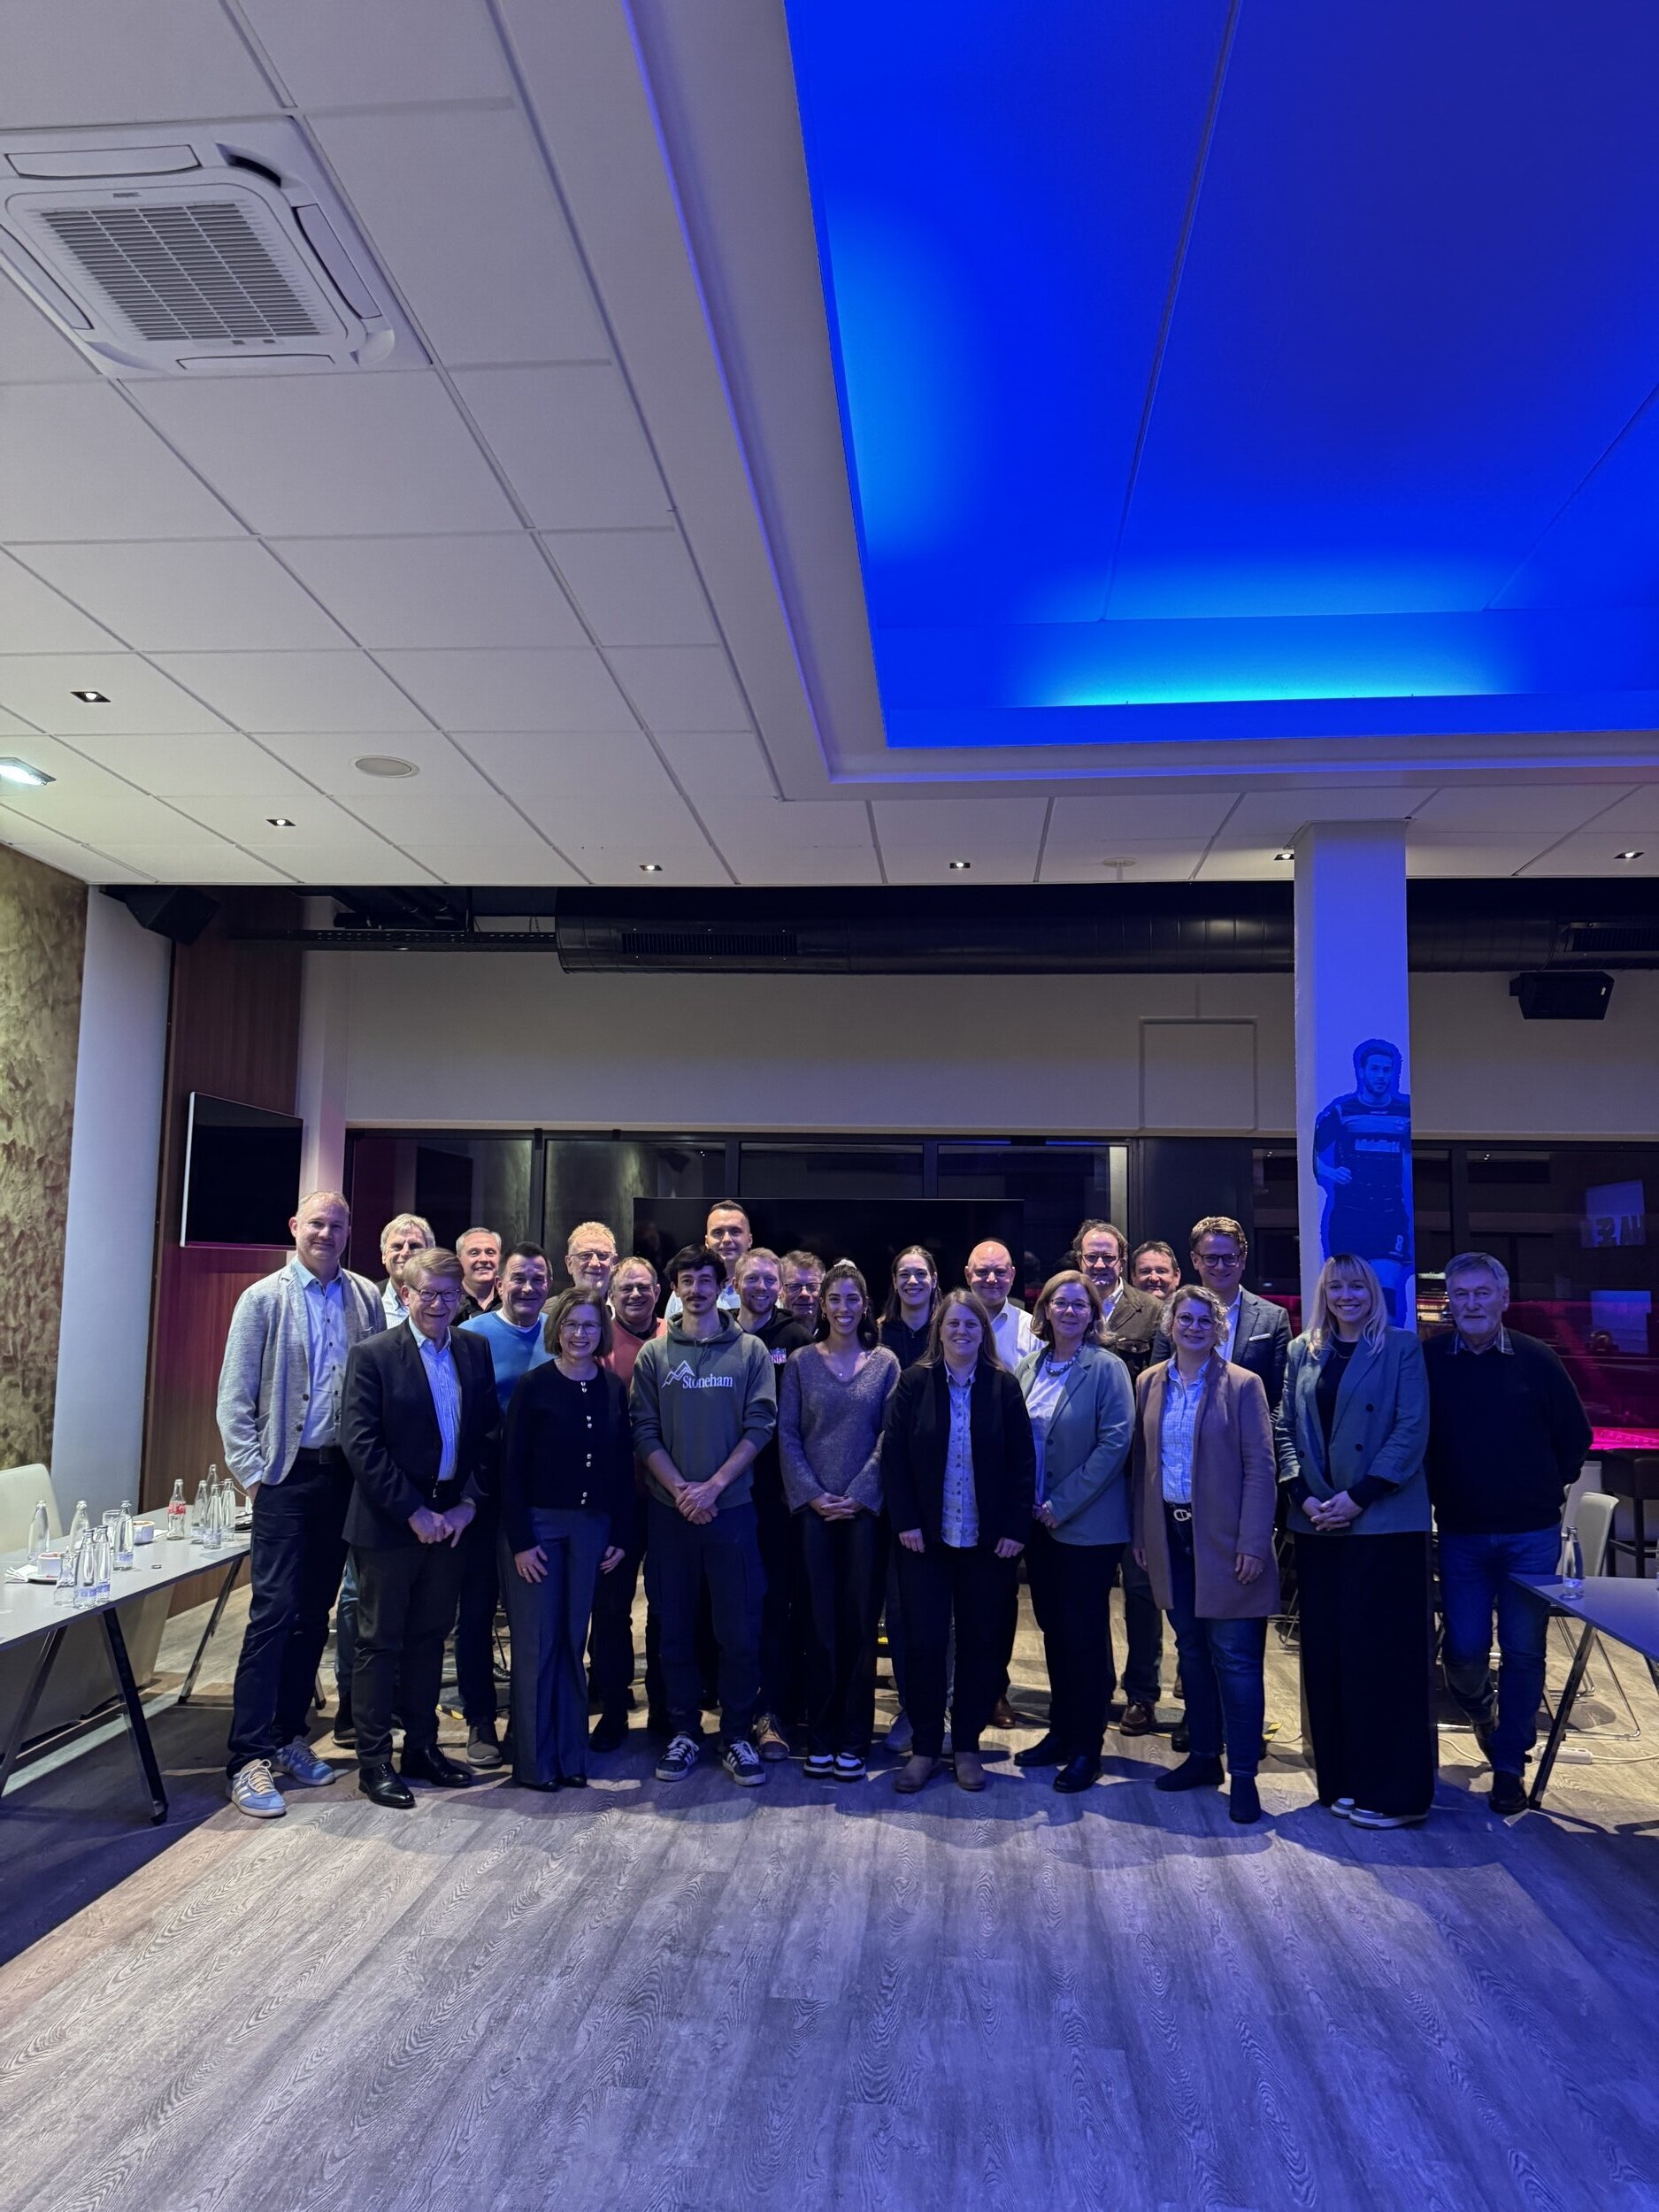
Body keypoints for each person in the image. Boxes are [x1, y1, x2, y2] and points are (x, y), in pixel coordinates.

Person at [217, 1190, 383, 1817]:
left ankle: (289, 1736)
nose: (326, 1233)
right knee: (272, 1613)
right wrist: (256, 1478)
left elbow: (374, 1387)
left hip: (342, 1477)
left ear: (348, 1232)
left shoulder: (364, 1297)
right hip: (285, 1477)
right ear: (294, 1227)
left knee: (314, 1614)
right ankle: (247, 1757)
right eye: (316, 1223)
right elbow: (234, 1398)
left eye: (337, 1225)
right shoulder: (263, 1299)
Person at [1425, 1251, 1592, 1816]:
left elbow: (1575, 1439)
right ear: (1450, 1302)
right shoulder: (1431, 1361)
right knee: (1463, 1650)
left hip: (1531, 1534)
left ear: (1503, 1298)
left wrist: (1542, 1488)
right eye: (1461, 1294)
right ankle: (1483, 1714)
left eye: (1482, 1293)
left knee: (1523, 1651)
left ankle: (1509, 1766)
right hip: (1462, 1533)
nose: (1471, 1303)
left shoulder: (1537, 1359)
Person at [1277, 1254, 1433, 1829]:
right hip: (1318, 1522)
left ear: (1373, 1292)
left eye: (1356, 1286)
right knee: (1328, 1656)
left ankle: (1394, 1794)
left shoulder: (1400, 1348)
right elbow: (1283, 1427)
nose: (1346, 1295)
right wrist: (1302, 1496)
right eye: (1335, 1286)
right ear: (1323, 1294)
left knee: (1382, 1660)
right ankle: (1342, 1779)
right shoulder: (1302, 1350)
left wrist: (1360, 1496)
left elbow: (1410, 1429)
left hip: (1382, 1521)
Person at [340, 1248, 501, 1809]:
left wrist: (468, 1506)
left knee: (431, 1640)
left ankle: (422, 1749)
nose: (438, 1304)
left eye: (449, 1294)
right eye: (427, 1293)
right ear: (405, 1294)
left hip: (451, 1521)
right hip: (390, 1524)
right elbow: (361, 1443)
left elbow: (489, 1436)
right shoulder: (373, 1355)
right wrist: (413, 1511)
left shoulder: (475, 1350)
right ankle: (375, 1762)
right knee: (379, 1643)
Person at [630, 1244, 778, 1786]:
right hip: (670, 1514)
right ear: (675, 1288)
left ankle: (736, 1733)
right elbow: (644, 1429)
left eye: (705, 1280)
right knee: (674, 1629)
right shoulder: (654, 1354)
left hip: (731, 1511)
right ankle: (685, 1731)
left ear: (723, 1286)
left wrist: (713, 1487)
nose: (696, 1290)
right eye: (686, 1280)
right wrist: (681, 1490)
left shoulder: (751, 1351)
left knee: (738, 1630)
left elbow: (761, 1425)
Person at [1132, 1284, 1279, 1825]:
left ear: (1219, 1329)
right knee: (1191, 1652)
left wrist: (1253, 1542)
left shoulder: (1243, 1384)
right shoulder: (1149, 1382)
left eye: (1204, 1320)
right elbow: (1141, 1465)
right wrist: (1142, 1534)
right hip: (1170, 1538)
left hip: (1226, 1542)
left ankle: (1243, 1775)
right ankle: (1202, 1758)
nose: (1193, 1327)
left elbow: (1261, 1468)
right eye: (1185, 1318)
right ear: (1169, 1324)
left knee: (1235, 1660)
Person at [881, 1289, 1034, 1794]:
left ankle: (966, 1744)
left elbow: (1022, 1464)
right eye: (953, 1324)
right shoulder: (914, 1382)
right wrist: (905, 1520)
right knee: (924, 1644)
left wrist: (1015, 1528)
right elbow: (894, 1459)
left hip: (988, 1544)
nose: (962, 1332)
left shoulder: (1003, 1386)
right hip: (924, 1540)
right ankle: (926, 1747)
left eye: (971, 1325)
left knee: (980, 1643)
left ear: (982, 1333)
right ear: (939, 1331)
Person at [501, 1289, 632, 1789]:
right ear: (558, 1329)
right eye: (572, 1324)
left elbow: (621, 1466)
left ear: (602, 1332)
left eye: (590, 1325)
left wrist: (620, 1531)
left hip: (592, 1529)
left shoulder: (611, 1387)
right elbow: (511, 1468)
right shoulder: (534, 1386)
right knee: (539, 1644)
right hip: (538, 1529)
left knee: (574, 1641)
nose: (581, 1334)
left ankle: (571, 1757)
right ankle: (536, 1765)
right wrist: (520, 1540)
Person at [779, 1262, 900, 1779]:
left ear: (865, 1305)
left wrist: (858, 1495)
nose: (844, 1308)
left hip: (864, 1515)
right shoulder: (801, 1362)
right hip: (814, 1514)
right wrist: (812, 1495)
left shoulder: (886, 1363)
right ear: (822, 1305)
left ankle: (854, 1738)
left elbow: (890, 1436)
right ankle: (821, 1734)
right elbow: (787, 1434)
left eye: (853, 1299)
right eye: (835, 1299)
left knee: (859, 1626)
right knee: (819, 1625)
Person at [1015, 1271, 1134, 1793]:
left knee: (1084, 1636)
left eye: (1079, 1304)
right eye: (1059, 1302)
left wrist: (1060, 1505)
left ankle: (1088, 1746)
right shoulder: (1029, 1366)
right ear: (1044, 1310)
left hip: (1086, 1526)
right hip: (1036, 1523)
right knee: (1054, 1629)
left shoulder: (1107, 1368)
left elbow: (1115, 1444)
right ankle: (1060, 1732)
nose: (1068, 1311)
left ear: (1092, 1314)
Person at [455, 1241, 554, 1766]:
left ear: (550, 1285)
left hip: (542, 1499)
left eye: (537, 1279)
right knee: (476, 1612)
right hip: (483, 1496)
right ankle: (479, 1719)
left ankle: (527, 1717)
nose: (528, 1287)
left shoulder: (562, 1334)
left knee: (531, 1617)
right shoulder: (472, 1336)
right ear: (500, 1284)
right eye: (519, 1278)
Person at [734, 1247, 812, 1758]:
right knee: (735, 1604)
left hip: (781, 1497)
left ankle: (776, 1709)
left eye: (770, 1280)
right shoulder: (720, 1333)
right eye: (753, 1279)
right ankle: (734, 1707)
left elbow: (803, 1420)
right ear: (735, 1283)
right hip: (729, 1493)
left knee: (778, 1603)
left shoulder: (796, 1339)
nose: (761, 1288)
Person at [589, 1255, 666, 1749]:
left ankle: (664, 1709)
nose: (636, 1295)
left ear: (658, 1291)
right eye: (627, 1288)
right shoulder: (596, 1341)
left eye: (644, 1287)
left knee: (666, 1608)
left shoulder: (676, 1336)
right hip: (616, 1501)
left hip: (667, 1499)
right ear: (612, 1295)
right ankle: (613, 1710)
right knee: (612, 1610)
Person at [1313, 1039, 1414, 1325]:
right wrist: (1331, 1172)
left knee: (1386, 1297)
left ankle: (1386, 1351)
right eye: (1375, 1069)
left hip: (1390, 1215)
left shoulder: (1404, 1112)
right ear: (1362, 1071)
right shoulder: (1342, 1111)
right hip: (1350, 1216)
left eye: (1387, 1070)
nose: (1381, 1076)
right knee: (1347, 1301)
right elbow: (1311, 1157)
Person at [1150, 1217, 1291, 1409]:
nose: (1220, 1267)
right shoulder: (1173, 1313)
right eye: (1211, 1258)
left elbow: (1282, 1398)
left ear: (1242, 1260)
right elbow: (1158, 1383)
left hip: (1249, 1426)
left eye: (1229, 1258)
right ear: (1195, 1260)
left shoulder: (1273, 1318)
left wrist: (1259, 1427)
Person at [1073, 1220, 1161, 1380]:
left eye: (1108, 1258)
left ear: (1122, 1263)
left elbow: (1159, 1379)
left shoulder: (1153, 1310)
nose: (1099, 1265)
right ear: (1080, 1261)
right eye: (1091, 1257)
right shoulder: (1065, 1309)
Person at [664, 1202, 749, 1319]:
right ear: (707, 1241)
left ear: (750, 1240)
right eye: (718, 1232)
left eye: (735, 1231)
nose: (727, 1239)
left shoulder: (764, 1291)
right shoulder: (683, 1291)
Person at [965, 1240, 1036, 1368]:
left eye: (1000, 1272)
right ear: (968, 1275)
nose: (991, 1279)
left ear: (1012, 1275)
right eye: (982, 1271)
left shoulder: (1032, 1329)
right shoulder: (948, 1326)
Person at [879, 1245, 938, 1371]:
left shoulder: (947, 1333)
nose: (912, 1281)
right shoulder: (878, 1335)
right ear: (895, 1281)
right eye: (904, 1274)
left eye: (920, 1274)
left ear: (934, 1280)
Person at [377, 1213, 434, 1326]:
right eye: (397, 1246)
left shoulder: (451, 1303)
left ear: (430, 1253)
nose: (405, 1253)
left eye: (414, 1246)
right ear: (384, 1255)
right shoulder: (366, 1300)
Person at [565, 1220, 619, 1302]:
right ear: (570, 1264)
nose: (594, 1263)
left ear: (614, 1263)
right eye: (585, 1255)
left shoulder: (626, 1309)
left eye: (602, 1255)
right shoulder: (550, 1309)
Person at [457, 1226, 503, 1319]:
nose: (484, 1259)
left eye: (490, 1252)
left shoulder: (511, 1299)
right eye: (474, 1253)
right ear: (458, 1261)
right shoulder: (448, 1301)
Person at [780, 1248, 826, 1334]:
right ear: (780, 1290)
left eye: (812, 1286)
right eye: (794, 1286)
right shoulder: (764, 1335)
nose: (804, 1293)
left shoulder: (837, 1333)